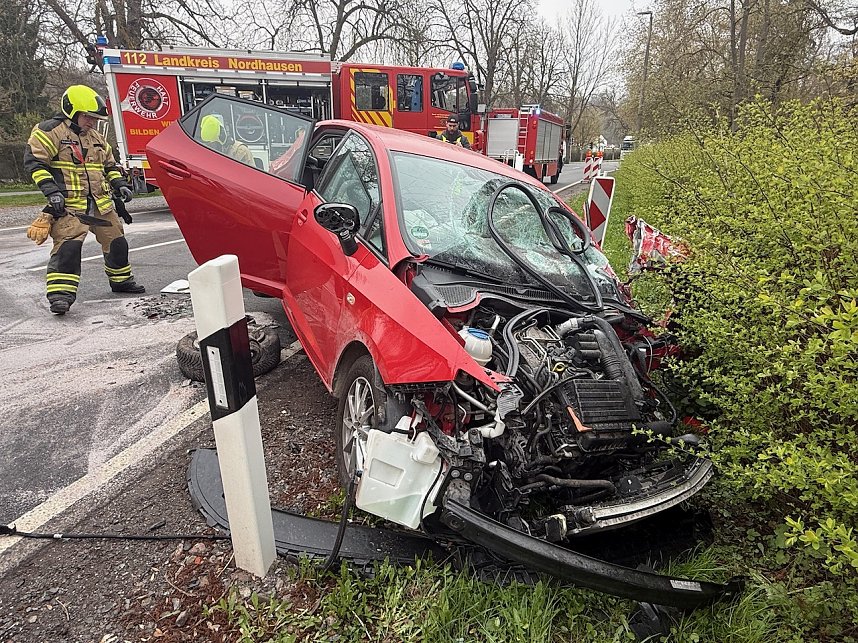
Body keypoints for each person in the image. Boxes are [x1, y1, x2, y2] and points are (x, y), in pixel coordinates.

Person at [24, 85, 145, 316]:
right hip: (71, 206)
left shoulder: (96, 137)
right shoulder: (49, 132)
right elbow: (35, 164)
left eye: (94, 118)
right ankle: (61, 296)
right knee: (68, 248)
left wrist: (120, 184)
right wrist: (52, 192)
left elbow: (109, 165)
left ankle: (121, 281)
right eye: (88, 117)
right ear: (71, 111)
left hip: (101, 203)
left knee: (117, 242)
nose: (92, 122)